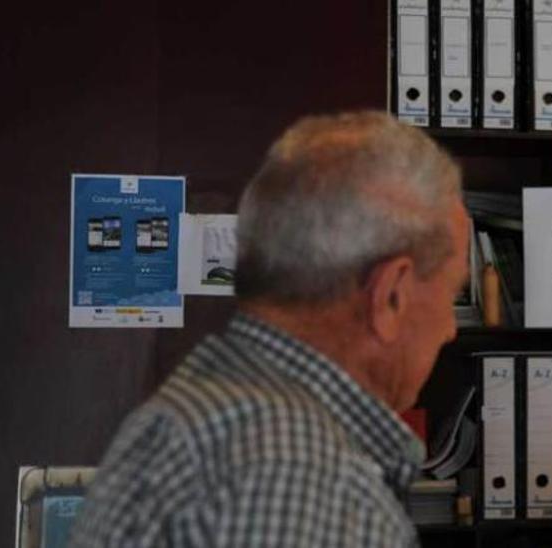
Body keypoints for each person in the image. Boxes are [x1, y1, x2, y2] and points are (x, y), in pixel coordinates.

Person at [70, 110, 469, 547]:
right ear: (390, 296)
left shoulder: (205, 418)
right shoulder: (300, 476)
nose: (451, 329)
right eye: (451, 296)